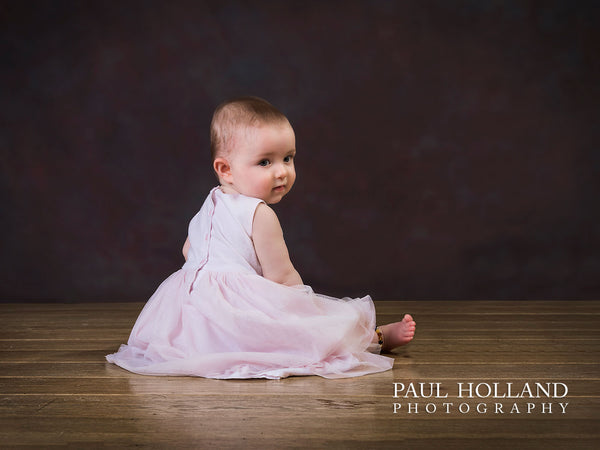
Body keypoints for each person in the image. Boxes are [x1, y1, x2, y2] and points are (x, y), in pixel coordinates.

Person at [106, 96, 416, 379]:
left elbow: (189, 250)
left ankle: (200, 346)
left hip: (188, 315)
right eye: (265, 162)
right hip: (232, 315)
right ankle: (376, 338)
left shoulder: (209, 205)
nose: (281, 172)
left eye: (288, 158)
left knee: (209, 341)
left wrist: (213, 287)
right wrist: (305, 312)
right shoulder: (259, 213)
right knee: (316, 326)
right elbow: (281, 277)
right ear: (225, 169)